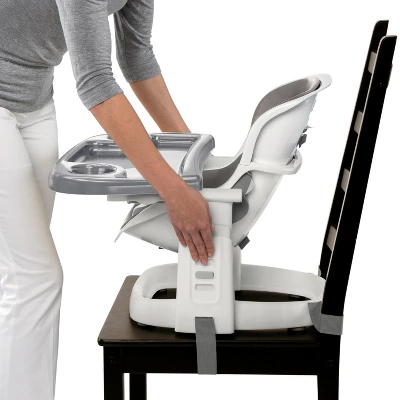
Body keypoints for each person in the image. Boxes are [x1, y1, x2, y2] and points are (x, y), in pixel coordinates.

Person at [0, 0, 215, 399]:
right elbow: (95, 81)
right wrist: (172, 189)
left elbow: (137, 56)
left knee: (23, 278)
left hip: (35, 101)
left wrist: (195, 162)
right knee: (36, 276)